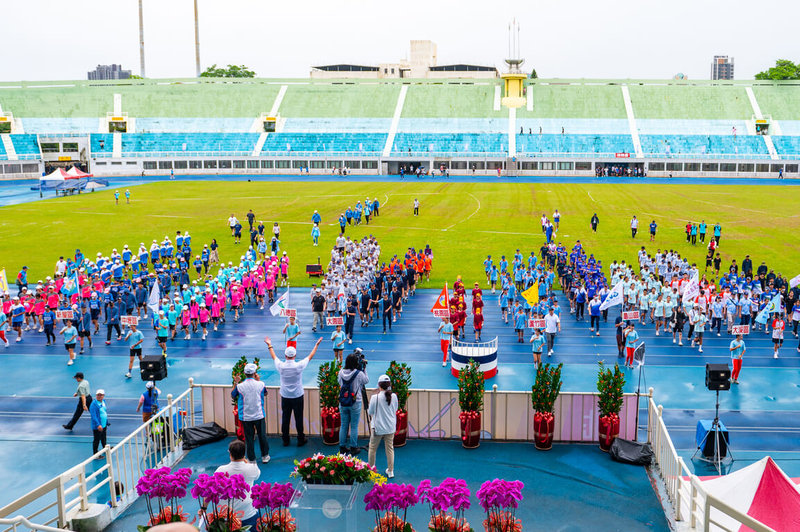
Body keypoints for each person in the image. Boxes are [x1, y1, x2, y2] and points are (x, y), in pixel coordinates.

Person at [265, 335, 321, 447]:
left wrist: (269, 345)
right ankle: (301, 438)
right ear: (294, 355)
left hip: (285, 396)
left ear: (285, 355)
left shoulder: (281, 366)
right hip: (297, 395)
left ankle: (285, 439)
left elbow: (274, 356)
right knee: (298, 417)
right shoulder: (298, 366)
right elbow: (310, 356)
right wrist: (316, 345)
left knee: (285, 417)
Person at [214, 440, 261, 529]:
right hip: (248, 513)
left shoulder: (220, 470)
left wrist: (203, 508)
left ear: (230, 454)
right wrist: (247, 462)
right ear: (244, 454)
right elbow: (257, 475)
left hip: (227, 516)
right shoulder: (253, 468)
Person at [231, 363, 271, 463]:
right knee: (262, 436)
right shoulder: (261, 384)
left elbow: (233, 395)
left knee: (249, 438)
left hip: (246, 417)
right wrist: (258, 380)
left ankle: (252, 459)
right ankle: (265, 456)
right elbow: (265, 393)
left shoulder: (240, 386)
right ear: (255, 373)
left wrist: (236, 382)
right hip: (259, 415)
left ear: (244, 373)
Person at [338, 353, 369, 454]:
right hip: (355, 402)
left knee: (343, 425)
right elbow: (366, 380)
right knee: (354, 426)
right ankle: (353, 447)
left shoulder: (341, 372)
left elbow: (339, 383)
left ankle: (342, 447)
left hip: (343, 402)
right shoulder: (358, 373)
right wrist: (364, 368)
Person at [367, 375, 398, 478]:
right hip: (390, 427)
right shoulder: (394, 396)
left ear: (379, 385)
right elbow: (395, 409)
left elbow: (370, 411)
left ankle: (371, 470)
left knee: (372, 449)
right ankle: (391, 471)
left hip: (377, 428)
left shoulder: (374, 398)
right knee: (390, 448)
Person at [89, 389, 108, 455]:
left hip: (104, 424)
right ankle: (95, 453)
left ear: (103, 395)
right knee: (97, 440)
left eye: (101, 395)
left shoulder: (103, 402)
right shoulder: (93, 405)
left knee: (103, 437)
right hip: (98, 426)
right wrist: (98, 425)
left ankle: (105, 448)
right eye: (98, 395)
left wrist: (106, 422)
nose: (99, 396)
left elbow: (104, 412)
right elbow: (94, 416)